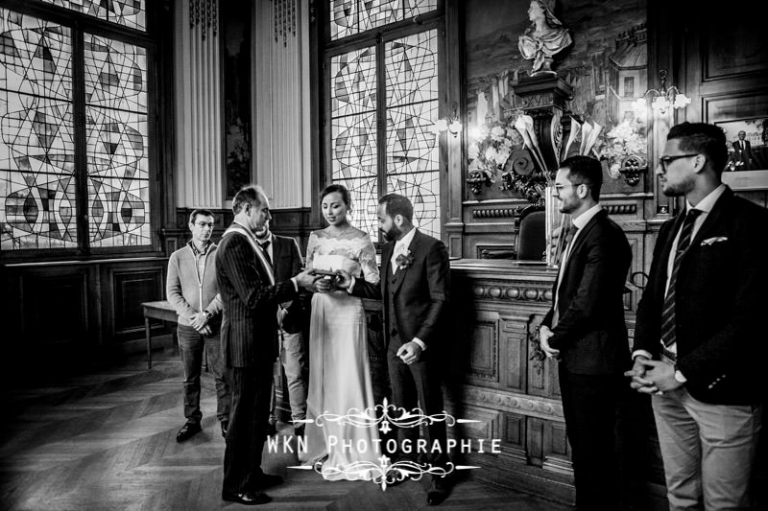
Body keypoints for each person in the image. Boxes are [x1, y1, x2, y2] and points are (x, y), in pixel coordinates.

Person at [626, 122, 768, 510]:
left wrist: (682, 371)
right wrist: (642, 355)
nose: (660, 169)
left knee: (724, 504)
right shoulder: (671, 228)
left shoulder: (751, 224)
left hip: (724, 392)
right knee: (680, 497)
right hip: (666, 386)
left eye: (668, 160)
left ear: (699, 160)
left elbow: (751, 321)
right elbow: (652, 301)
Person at [336, 193, 452, 506]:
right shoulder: (388, 249)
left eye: (380, 218)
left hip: (419, 346)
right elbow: (382, 290)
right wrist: (353, 284)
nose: (378, 223)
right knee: (402, 409)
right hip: (392, 344)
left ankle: (440, 473)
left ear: (398, 219)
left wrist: (419, 341)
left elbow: (441, 299)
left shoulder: (432, 248)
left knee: (430, 411)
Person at [538, 155, 632, 511]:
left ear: (582, 189)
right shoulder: (580, 231)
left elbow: (588, 303)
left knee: (596, 453)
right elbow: (565, 292)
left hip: (596, 363)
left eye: (560, 187)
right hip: (578, 358)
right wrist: (548, 324)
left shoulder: (604, 235)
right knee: (583, 449)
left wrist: (554, 337)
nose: (555, 194)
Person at [216, 185, 318, 506]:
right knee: (243, 419)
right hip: (244, 348)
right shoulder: (234, 243)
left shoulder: (245, 241)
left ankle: (252, 471)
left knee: (257, 417)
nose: (269, 216)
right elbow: (254, 297)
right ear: (247, 209)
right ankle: (235, 485)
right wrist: (295, 284)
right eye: (265, 210)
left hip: (257, 345)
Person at [300, 184, 382, 480]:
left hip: (348, 313)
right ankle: (324, 441)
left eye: (336, 205)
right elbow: (307, 275)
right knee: (323, 374)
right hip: (322, 310)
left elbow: (374, 283)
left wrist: (350, 283)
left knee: (348, 374)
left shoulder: (362, 239)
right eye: (325, 206)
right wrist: (316, 284)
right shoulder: (315, 238)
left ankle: (355, 448)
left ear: (348, 206)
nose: (330, 212)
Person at [166, 209, 231, 442]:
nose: (207, 229)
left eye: (211, 225)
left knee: (222, 374)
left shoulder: (221, 254)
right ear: (191, 226)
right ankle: (192, 419)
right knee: (190, 377)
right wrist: (195, 318)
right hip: (188, 326)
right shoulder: (177, 256)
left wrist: (208, 314)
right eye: (202, 224)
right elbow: (172, 293)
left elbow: (226, 289)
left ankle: (226, 419)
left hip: (215, 324)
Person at [254, 222, 309, 438]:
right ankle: (268, 419)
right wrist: (270, 312)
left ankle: (300, 421)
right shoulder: (247, 248)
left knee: (295, 372)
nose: (260, 224)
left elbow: (300, 282)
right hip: (263, 322)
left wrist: (284, 310)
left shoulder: (288, 244)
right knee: (266, 373)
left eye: (264, 218)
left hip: (290, 319)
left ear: (268, 219)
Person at [518, 0, 573, 75]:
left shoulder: (562, 36)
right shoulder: (526, 40)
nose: (528, 11)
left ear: (544, 8)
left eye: (532, 7)